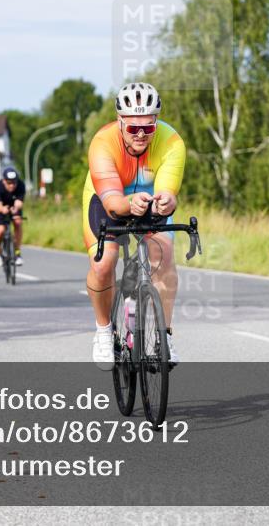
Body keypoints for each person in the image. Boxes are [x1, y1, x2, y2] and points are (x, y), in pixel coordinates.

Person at [82, 82, 185, 369]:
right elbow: (114, 202)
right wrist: (128, 204)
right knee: (104, 262)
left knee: (163, 258)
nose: (141, 134)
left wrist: (167, 201)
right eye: (132, 128)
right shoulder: (103, 142)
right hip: (106, 200)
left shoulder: (172, 141)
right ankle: (103, 331)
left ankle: (164, 336)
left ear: (156, 123)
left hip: (149, 200)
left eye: (148, 128)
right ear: (120, 122)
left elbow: (168, 190)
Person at [0, 166, 25, 267]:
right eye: (9, 183)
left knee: (18, 222)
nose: (12, 186)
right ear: (4, 181)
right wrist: (2, 209)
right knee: (0, 230)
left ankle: (17, 252)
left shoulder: (21, 185)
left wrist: (15, 208)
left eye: (14, 182)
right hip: (0, 207)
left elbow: (19, 202)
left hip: (13, 207)